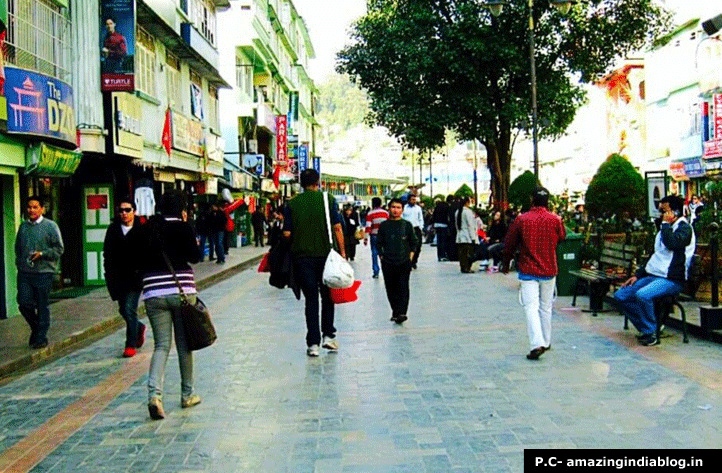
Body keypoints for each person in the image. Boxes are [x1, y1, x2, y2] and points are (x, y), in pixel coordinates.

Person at [138, 189, 202, 420]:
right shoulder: (184, 227)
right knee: (184, 345)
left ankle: (154, 396)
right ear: (182, 210)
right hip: (181, 291)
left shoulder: (147, 227)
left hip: (153, 291)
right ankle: (187, 394)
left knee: (161, 346)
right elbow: (195, 257)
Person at [614, 195, 695, 347]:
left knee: (643, 295)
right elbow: (656, 255)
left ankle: (651, 332)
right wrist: (638, 275)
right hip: (653, 275)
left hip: (671, 279)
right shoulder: (663, 230)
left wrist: (665, 225)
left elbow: (672, 244)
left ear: (675, 212)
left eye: (664, 211)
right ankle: (649, 327)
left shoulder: (684, 228)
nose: (661, 214)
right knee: (621, 295)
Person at [283, 169, 346, 357]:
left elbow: (286, 234)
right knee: (328, 296)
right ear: (318, 182)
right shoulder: (328, 200)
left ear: (301, 183)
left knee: (311, 299)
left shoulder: (292, 203)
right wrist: (342, 252)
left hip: (302, 258)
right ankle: (328, 336)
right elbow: (337, 227)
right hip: (326, 256)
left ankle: (313, 344)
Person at [501, 187, 566, 360]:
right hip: (549, 268)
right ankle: (546, 340)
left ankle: (536, 343)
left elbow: (509, 243)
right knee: (546, 306)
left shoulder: (522, 220)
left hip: (528, 269)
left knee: (531, 307)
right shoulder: (555, 220)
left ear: (532, 200)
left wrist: (505, 264)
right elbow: (562, 237)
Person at [15, 196, 64, 349]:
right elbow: (18, 248)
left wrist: (42, 254)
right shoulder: (23, 227)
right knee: (24, 303)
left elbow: (59, 249)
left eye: (35, 207)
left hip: (44, 272)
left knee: (42, 305)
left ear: (42, 209)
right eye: (29, 207)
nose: (32, 210)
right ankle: (36, 328)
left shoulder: (50, 226)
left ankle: (41, 337)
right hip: (25, 272)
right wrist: (20, 263)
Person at [103, 198, 146, 358]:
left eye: (127, 210)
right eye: (121, 210)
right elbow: (107, 254)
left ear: (134, 211)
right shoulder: (113, 230)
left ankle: (130, 344)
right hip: (117, 277)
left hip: (135, 278)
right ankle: (139, 327)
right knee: (123, 310)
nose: (124, 213)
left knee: (129, 309)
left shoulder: (142, 229)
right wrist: (107, 274)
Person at [377, 198, 417, 324]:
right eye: (393, 207)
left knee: (403, 286)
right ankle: (395, 311)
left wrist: (410, 257)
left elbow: (414, 243)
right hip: (388, 262)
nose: (395, 210)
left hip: (404, 261)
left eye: (398, 208)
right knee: (391, 288)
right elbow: (378, 243)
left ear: (402, 210)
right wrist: (382, 257)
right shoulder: (384, 226)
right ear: (389, 208)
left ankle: (402, 312)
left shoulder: (407, 225)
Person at [364, 197, 389, 278]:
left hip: (374, 236)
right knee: (384, 253)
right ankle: (386, 270)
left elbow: (368, 227)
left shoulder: (370, 214)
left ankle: (376, 272)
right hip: (384, 236)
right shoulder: (385, 213)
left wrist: (365, 238)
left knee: (374, 253)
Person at [455, 196, 476, 273]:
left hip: (460, 236)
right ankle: (467, 268)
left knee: (461, 254)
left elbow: (456, 225)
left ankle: (463, 267)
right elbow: (470, 225)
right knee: (467, 253)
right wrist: (473, 237)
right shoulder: (468, 212)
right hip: (467, 236)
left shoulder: (457, 212)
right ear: (467, 202)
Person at [402, 194, 424, 269]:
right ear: (408, 200)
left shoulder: (418, 208)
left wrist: (421, 227)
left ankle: (414, 261)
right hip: (407, 229)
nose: (414, 201)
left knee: (418, 246)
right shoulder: (404, 208)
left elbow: (420, 218)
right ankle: (409, 261)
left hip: (416, 228)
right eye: (412, 199)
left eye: (415, 200)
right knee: (408, 246)